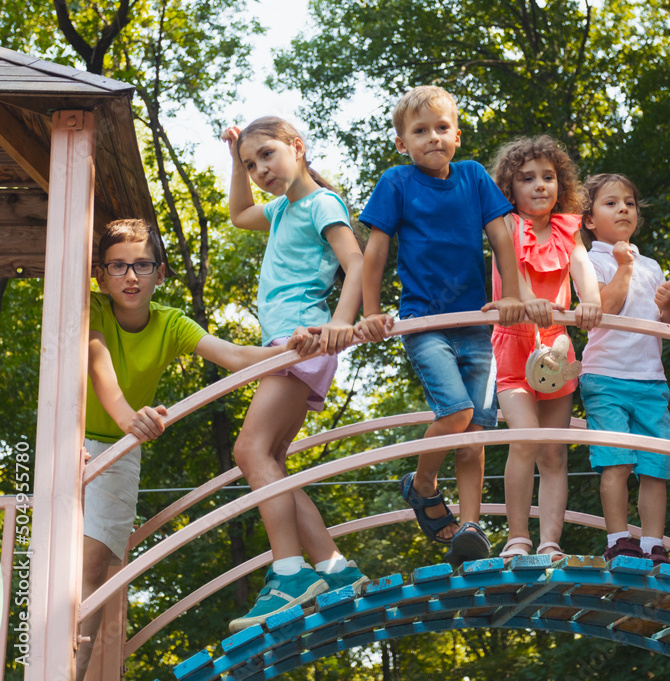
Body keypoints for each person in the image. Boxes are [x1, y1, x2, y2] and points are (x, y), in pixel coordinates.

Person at [81, 219, 314, 675]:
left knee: (92, 574)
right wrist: (133, 418)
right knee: (52, 568)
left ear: (161, 274)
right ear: (99, 275)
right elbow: (100, 369)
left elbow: (235, 357)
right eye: (118, 266)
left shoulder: (170, 322)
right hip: (69, 444)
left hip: (120, 452)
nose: (131, 276)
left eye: (142, 265)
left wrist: (293, 349)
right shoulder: (90, 310)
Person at [355, 86, 528, 566]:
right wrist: (372, 312)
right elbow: (376, 251)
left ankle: (470, 525)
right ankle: (423, 483)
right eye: (419, 131)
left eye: (441, 128)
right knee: (455, 412)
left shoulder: (473, 177)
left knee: (474, 432)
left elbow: (501, 237)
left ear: (456, 134)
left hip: (475, 322)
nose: (433, 138)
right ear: (401, 143)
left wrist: (509, 295)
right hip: (423, 321)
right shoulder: (397, 183)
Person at [222, 116, 368, 633]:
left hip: (299, 342)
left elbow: (357, 262)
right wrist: (233, 153)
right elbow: (239, 213)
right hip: (288, 344)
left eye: (267, 156)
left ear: (297, 148)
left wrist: (341, 326)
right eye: (251, 164)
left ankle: (287, 573)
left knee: (248, 452)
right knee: (273, 462)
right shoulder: (283, 209)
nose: (260, 170)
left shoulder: (321, 204)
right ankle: (332, 568)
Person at [488, 136, 603, 561]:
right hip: (515, 345)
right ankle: (517, 537)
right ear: (510, 188)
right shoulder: (505, 226)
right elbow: (512, 266)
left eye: (548, 177)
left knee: (554, 450)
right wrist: (523, 299)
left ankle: (550, 540)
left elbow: (582, 268)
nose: (540, 186)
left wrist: (590, 301)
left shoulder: (566, 229)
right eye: (527, 178)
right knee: (525, 439)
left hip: (556, 346)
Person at [577, 174, 670, 564]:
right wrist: (622, 266)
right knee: (616, 461)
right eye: (611, 203)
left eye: (629, 202)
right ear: (589, 220)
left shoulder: (651, 265)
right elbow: (604, 309)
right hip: (606, 376)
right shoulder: (590, 261)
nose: (623, 208)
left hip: (651, 380)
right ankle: (619, 539)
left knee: (655, 468)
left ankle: (654, 544)